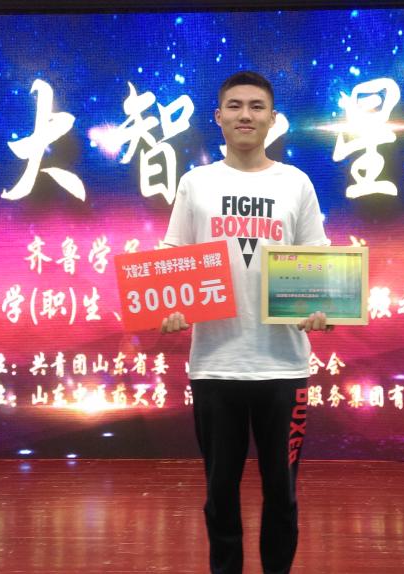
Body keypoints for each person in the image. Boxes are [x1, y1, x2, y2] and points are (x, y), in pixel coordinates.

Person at [160, 70, 331, 574]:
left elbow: (317, 260)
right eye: (234, 106)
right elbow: (173, 255)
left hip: (283, 367)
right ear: (218, 117)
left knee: (282, 493)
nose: (245, 115)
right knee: (220, 493)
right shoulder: (197, 183)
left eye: (257, 106)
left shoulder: (295, 183)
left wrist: (322, 308)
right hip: (215, 366)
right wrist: (169, 305)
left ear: (273, 119)